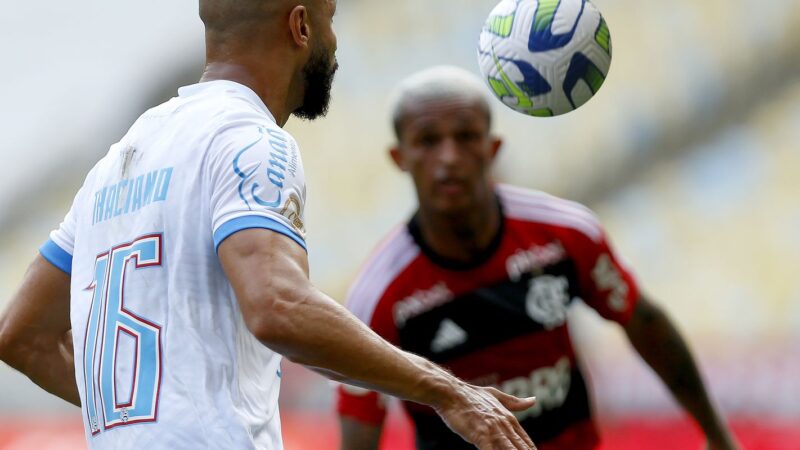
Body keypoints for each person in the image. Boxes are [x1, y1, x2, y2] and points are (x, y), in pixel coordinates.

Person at [0, 3, 538, 450]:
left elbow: (20, 334)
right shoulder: (251, 139)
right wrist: (447, 390)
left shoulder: (117, 161)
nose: (334, 40)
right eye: (330, 19)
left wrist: (149, 418)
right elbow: (279, 307)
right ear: (300, 26)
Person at [336, 66, 741, 450]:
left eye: (466, 137)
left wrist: (716, 433)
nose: (449, 158)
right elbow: (360, 422)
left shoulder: (564, 234)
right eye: (427, 141)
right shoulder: (380, 293)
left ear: (492, 149)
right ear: (399, 157)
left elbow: (644, 322)